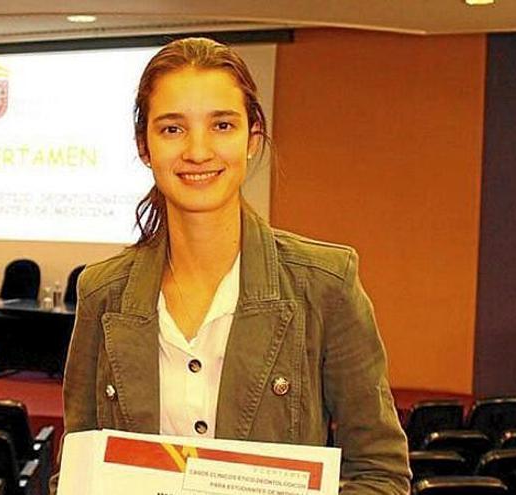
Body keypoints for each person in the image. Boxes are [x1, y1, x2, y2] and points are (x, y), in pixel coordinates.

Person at [61, 37, 411, 494]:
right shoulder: (102, 292)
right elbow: (77, 468)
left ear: (253, 138)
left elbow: (380, 474)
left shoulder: (326, 284)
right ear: (144, 147)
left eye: (222, 125)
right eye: (172, 129)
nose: (198, 151)